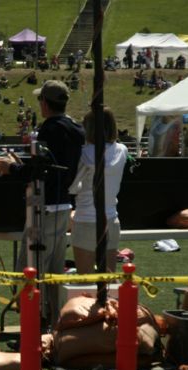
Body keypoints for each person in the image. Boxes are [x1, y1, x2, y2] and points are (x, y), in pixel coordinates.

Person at [0, 80, 84, 328]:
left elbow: (43, 172)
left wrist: (13, 168)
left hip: (45, 207)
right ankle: (54, 325)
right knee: (53, 272)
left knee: (28, 270)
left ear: (44, 102)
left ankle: (34, 325)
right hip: (64, 205)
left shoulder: (50, 129)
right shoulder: (76, 128)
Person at [69, 107, 129, 274]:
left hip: (86, 219)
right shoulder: (122, 150)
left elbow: (73, 187)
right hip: (111, 218)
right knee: (109, 278)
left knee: (85, 280)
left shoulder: (85, 153)